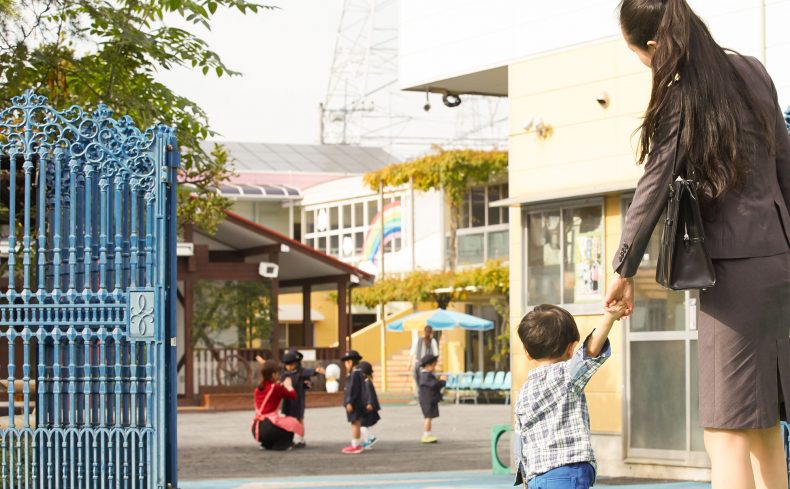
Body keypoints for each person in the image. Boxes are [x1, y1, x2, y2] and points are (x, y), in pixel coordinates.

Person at [609, 1, 790, 488]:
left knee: (725, 429)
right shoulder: (752, 70)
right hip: (779, 259)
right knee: (763, 425)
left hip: (734, 273)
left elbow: (652, 187)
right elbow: (785, 164)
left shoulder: (680, 95)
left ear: (653, 46)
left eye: (637, 54)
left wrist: (622, 270)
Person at [513, 304, 626, 488]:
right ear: (571, 348)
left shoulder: (523, 392)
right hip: (566, 471)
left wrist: (526, 479)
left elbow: (520, 438)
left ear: (526, 352)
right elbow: (590, 352)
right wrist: (609, 317)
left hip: (536, 476)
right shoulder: (566, 376)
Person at [251, 359, 304, 451]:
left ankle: (266, 444)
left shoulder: (258, 389)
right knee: (291, 423)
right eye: (278, 374)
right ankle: (282, 445)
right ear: (273, 375)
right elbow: (293, 395)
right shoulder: (276, 388)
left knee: (279, 424)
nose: (279, 376)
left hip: (256, 428)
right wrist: (289, 386)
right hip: (268, 427)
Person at [279, 350, 326, 449]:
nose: (289, 367)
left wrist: (316, 372)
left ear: (296, 363)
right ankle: (289, 440)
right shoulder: (284, 374)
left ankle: (301, 439)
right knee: (288, 420)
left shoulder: (301, 372)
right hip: (288, 400)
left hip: (298, 400)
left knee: (299, 419)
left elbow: (311, 373)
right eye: (287, 365)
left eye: (291, 364)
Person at [340, 350, 366, 454]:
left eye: (346, 362)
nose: (345, 365)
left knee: (355, 423)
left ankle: (355, 445)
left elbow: (352, 389)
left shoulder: (354, 374)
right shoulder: (359, 373)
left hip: (354, 403)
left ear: (350, 362)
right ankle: (356, 443)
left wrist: (349, 402)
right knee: (356, 422)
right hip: (358, 402)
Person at [417, 353, 445, 444]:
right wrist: (442, 381)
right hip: (427, 401)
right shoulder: (426, 376)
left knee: (429, 417)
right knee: (428, 417)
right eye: (434, 365)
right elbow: (434, 384)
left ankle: (428, 433)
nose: (435, 367)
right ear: (429, 366)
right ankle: (426, 434)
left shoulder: (427, 375)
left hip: (428, 400)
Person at [358, 361, 381, 450]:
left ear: (363, 373)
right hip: (367, 408)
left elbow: (370, 394)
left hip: (368, 408)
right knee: (365, 425)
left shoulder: (367, 383)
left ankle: (368, 441)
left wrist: (370, 403)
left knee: (363, 426)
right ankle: (369, 438)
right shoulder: (366, 382)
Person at [410, 326, 438, 392]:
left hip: (423, 366)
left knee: (422, 383)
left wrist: (433, 366)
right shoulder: (420, 340)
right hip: (422, 366)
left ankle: (422, 395)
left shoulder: (431, 341)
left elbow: (436, 354)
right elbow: (412, 351)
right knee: (422, 383)